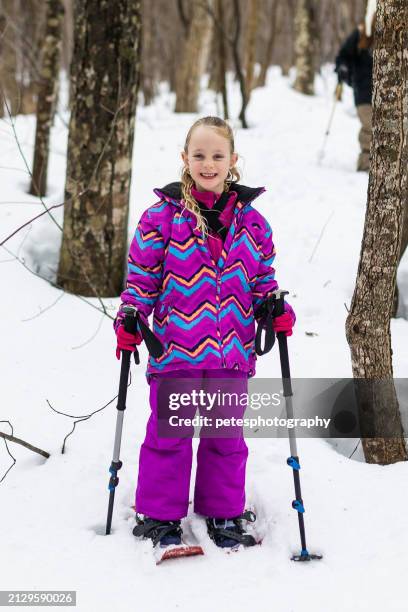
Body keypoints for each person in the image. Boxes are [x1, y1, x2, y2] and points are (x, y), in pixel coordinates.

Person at [113, 116, 295, 553]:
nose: (208, 163)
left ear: (233, 161)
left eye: (217, 155)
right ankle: (158, 515)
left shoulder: (253, 224)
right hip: (176, 350)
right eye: (199, 155)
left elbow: (261, 280)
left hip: (231, 351)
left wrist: (274, 307)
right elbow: (141, 279)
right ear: (185, 159)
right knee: (169, 434)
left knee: (226, 437)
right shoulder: (160, 218)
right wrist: (131, 316)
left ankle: (224, 510)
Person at [335, 0, 376, 172]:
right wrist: (343, 69)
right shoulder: (361, 33)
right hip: (363, 90)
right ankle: (365, 162)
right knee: (369, 125)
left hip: (384, 93)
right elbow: (343, 56)